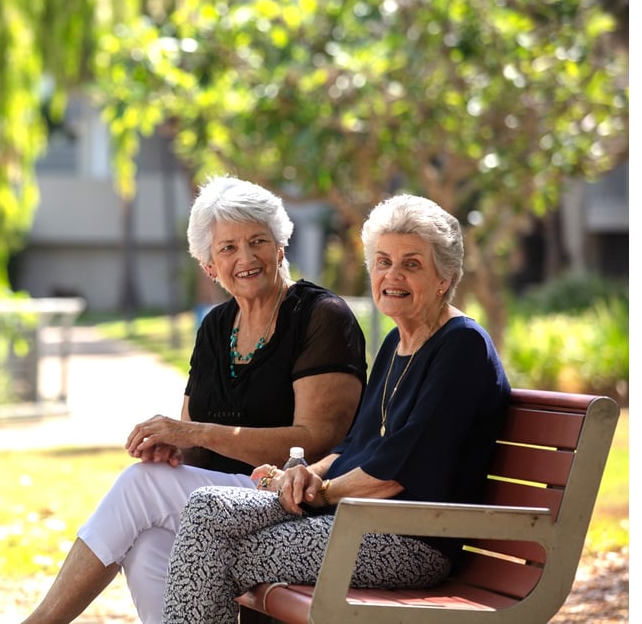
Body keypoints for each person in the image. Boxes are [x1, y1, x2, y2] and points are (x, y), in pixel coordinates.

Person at [22, 175, 368, 623]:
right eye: (227, 248)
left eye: (257, 241)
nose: (245, 257)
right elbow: (195, 444)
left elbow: (319, 439)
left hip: (291, 494)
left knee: (138, 487)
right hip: (219, 505)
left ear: (281, 246)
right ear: (209, 266)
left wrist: (194, 432)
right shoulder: (215, 328)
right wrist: (174, 448)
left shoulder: (320, 316)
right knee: (147, 542)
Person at [161, 193, 512, 623]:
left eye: (412, 264)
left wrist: (320, 492)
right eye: (382, 261)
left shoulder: (462, 346)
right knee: (207, 507)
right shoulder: (396, 344)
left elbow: (397, 472)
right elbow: (353, 446)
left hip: (410, 540)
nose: (392, 275)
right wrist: (309, 473)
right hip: (356, 520)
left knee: (231, 552)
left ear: (445, 277)